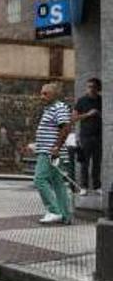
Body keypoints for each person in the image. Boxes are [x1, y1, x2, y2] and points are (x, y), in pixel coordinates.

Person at [32, 83, 73, 224]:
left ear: (55, 94)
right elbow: (51, 130)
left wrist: (56, 147)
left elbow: (66, 128)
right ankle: (65, 215)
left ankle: (54, 211)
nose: (41, 96)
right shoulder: (49, 108)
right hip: (49, 150)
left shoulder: (59, 107)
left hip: (51, 152)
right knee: (57, 183)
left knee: (39, 179)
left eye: (45, 93)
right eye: (41, 93)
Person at [72, 77, 102, 196]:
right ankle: (83, 186)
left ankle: (97, 186)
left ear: (98, 88)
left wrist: (99, 114)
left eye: (93, 87)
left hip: (99, 136)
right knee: (84, 163)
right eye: (88, 86)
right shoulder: (82, 101)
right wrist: (88, 114)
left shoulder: (102, 100)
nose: (90, 89)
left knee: (97, 163)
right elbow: (74, 118)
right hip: (85, 136)